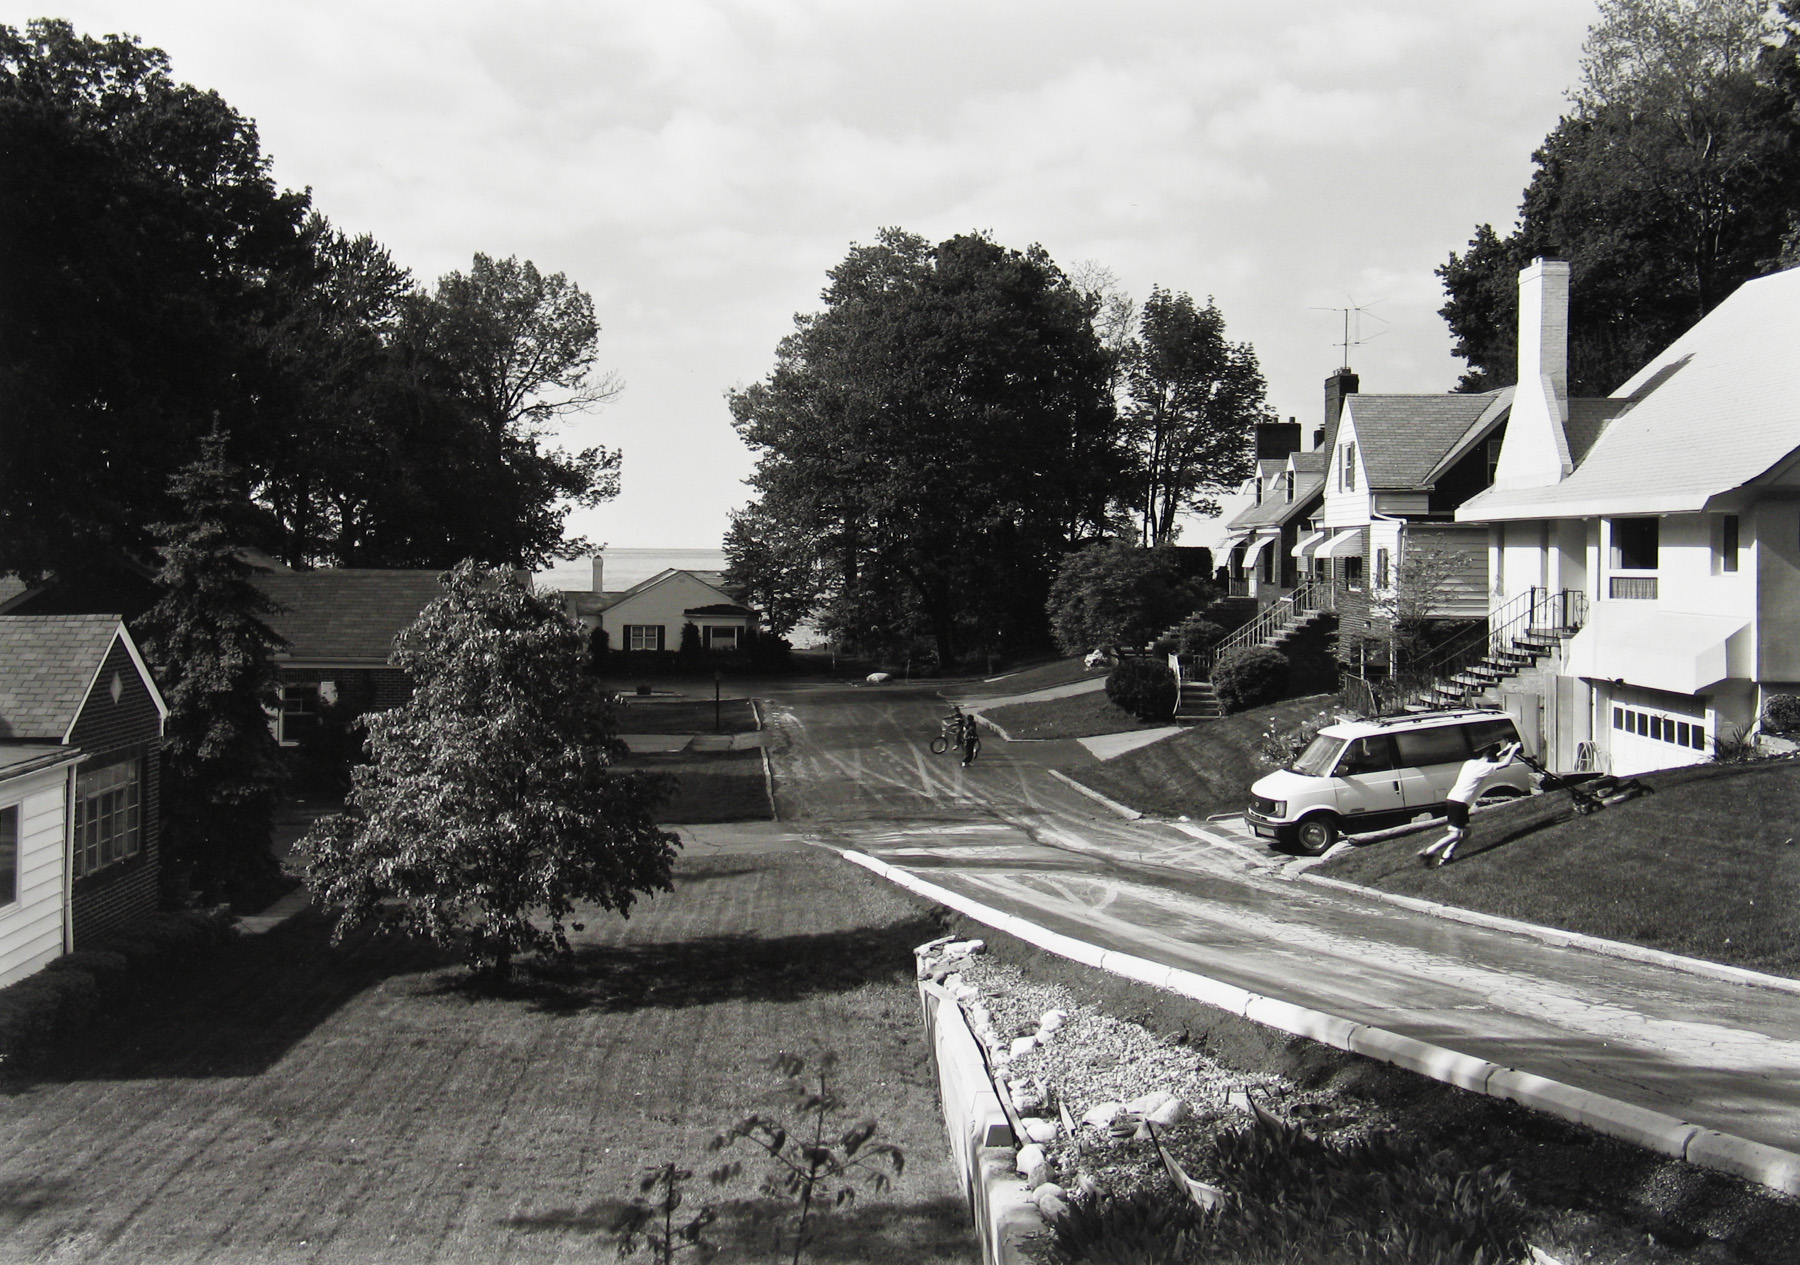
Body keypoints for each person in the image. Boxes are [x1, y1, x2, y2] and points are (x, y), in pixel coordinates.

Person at [1419, 740, 1522, 866]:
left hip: (1453, 799)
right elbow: (1505, 763)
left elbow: (1490, 760)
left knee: (1466, 832)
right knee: (1455, 834)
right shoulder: (1484, 767)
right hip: (1460, 802)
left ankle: (1447, 856)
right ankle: (1428, 852)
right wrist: (1514, 749)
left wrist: (1504, 751)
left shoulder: (1470, 763)